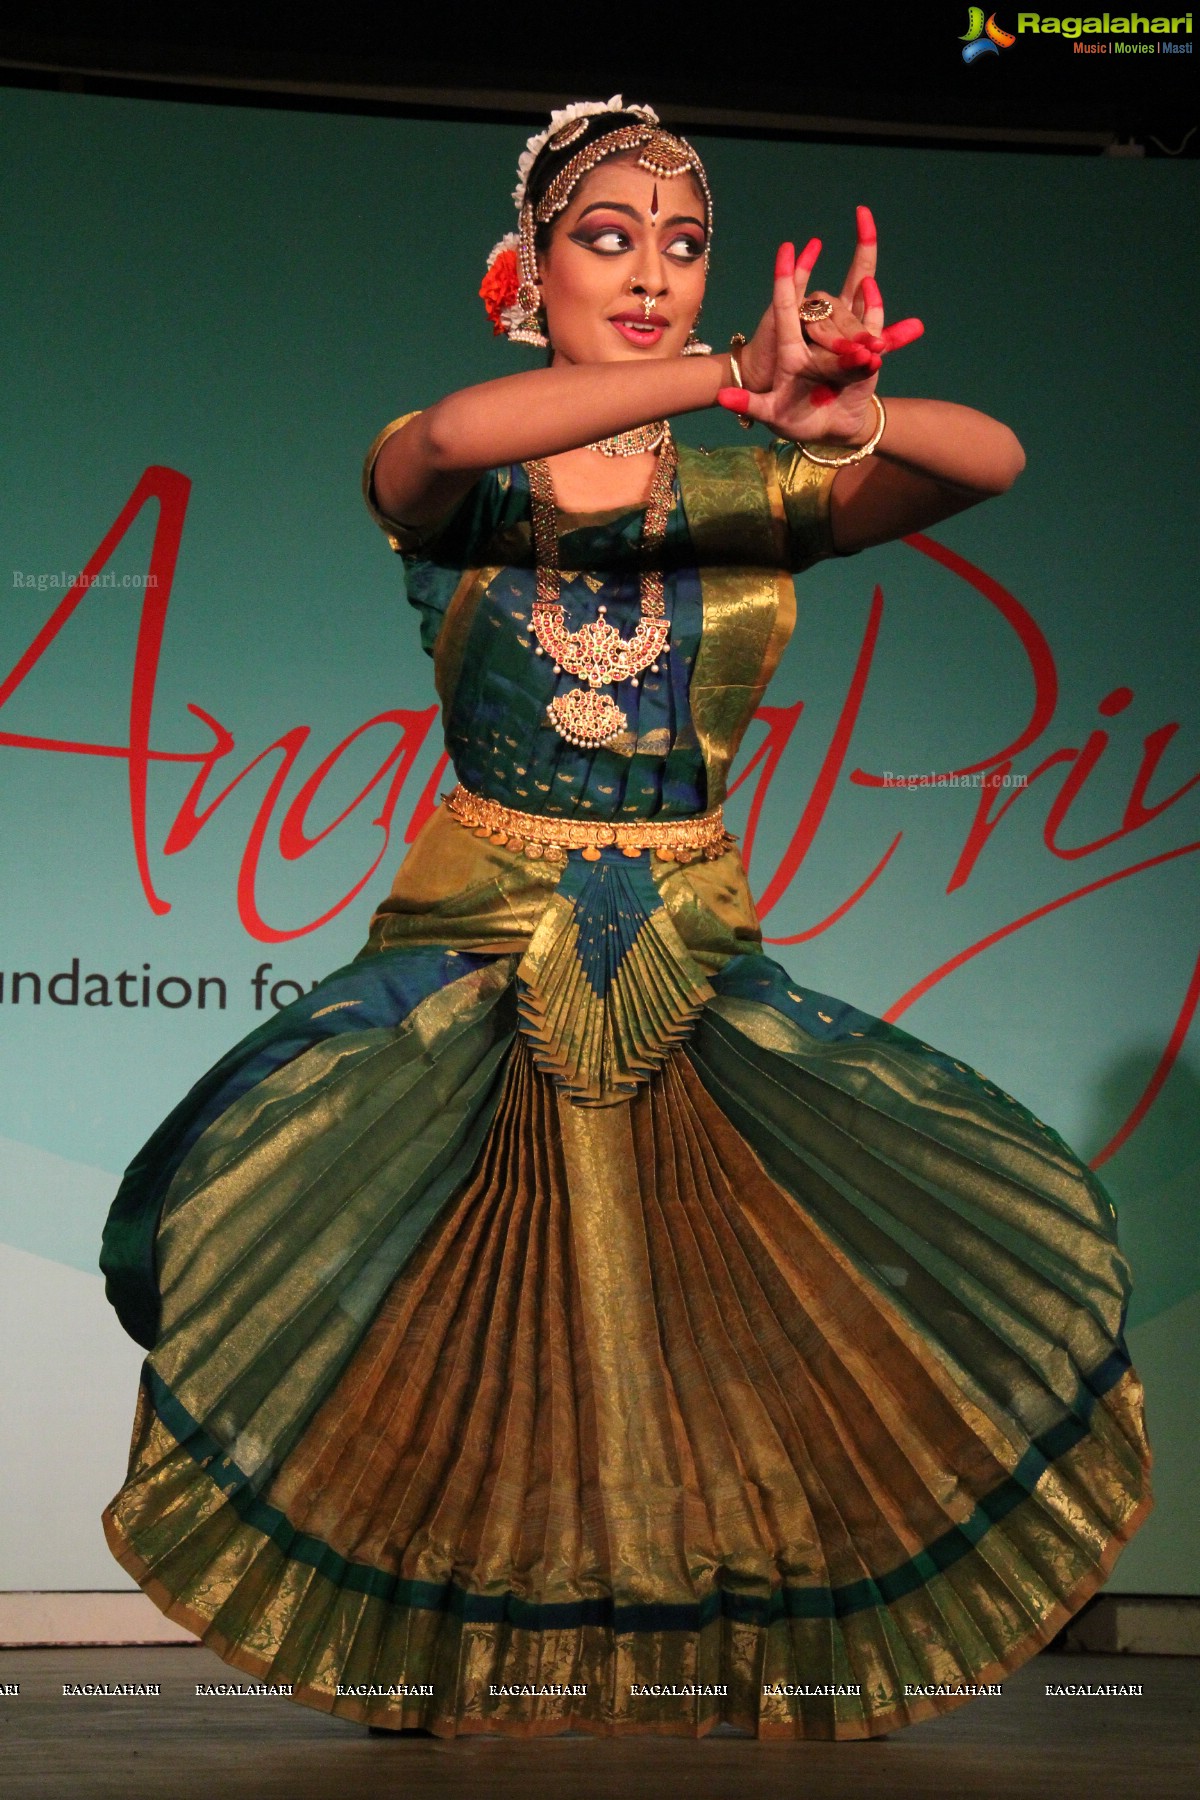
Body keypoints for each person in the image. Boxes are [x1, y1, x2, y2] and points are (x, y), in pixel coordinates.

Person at [100, 97, 1151, 1743]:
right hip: (473, 953)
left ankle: (708, 1650)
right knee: (443, 1300)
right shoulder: (451, 475)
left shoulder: (750, 488)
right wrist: (730, 371)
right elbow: (450, 438)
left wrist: (843, 409)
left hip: (689, 950)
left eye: (683, 246)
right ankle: (435, 1653)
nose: (651, 274)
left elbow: (995, 461)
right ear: (518, 271)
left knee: (712, 1314)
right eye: (610, 240)